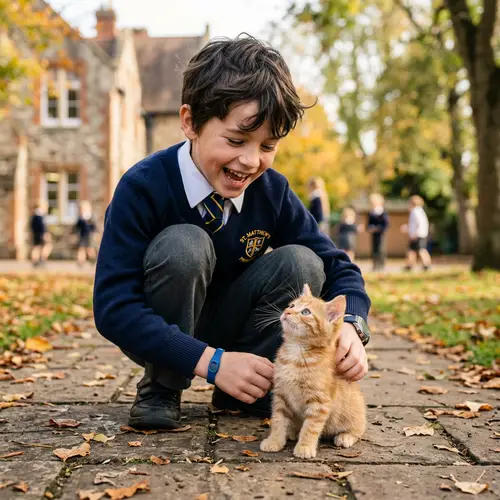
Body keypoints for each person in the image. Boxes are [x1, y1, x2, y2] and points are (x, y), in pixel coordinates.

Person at [93, 35, 372, 430]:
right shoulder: (143, 186)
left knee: (301, 260)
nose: (250, 160)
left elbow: (338, 267)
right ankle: (162, 386)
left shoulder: (272, 191)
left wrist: (352, 326)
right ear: (190, 122)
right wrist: (211, 362)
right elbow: (113, 307)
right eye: (236, 140)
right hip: (163, 325)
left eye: (268, 146)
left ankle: (247, 387)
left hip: (235, 323)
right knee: (185, 244)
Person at [402, 195, 432, 271]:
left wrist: (415, 233)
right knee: (412, 250)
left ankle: (426, 264)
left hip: (418, 235)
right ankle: (410, 264)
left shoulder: (415, 211)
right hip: (419, 234)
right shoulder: (419, 211)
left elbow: (419, 224)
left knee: (421, 249)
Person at [366, 193, 389, 271]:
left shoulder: (383, 212)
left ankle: (381, 265)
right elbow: (368, 224)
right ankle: (375, 265)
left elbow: (385, 224)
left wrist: (378, 228)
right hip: (374, 234)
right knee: (374, 249)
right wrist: (370, 228)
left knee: (381, 249)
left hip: (381, 234)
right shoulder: (371, 213)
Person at [74, 200, 97, 267]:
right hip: (82, 236)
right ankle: (80, 262)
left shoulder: (91, 217)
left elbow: (94, 227)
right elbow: (76, 227)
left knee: (90, 249)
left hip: (90, 236)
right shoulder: (80, 218)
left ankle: (93, 260)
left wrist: (95, 234)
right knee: (81, 249)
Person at [30, 201, 52, 267]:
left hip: (36, 234)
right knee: (48, 246)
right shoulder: (39, 215)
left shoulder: (34, 215)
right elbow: (42, 226)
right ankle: (42, 260)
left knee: (36, 247)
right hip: (41, 234)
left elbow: (32, 226)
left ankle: (35, 261)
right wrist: (45, 234)